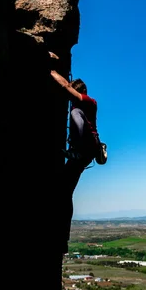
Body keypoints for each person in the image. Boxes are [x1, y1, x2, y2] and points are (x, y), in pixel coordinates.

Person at [49, 52, 99, 251]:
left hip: (84, 151)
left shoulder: (88, 102)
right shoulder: (82, 106)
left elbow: (67, 90)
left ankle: (61, 233)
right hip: (83, 153)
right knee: (64, 190)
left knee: (74, 111)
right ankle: (62, 232)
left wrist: (51, 71)